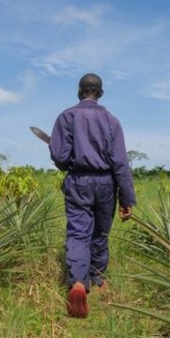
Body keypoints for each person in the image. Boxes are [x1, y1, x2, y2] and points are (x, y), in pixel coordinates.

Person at [49, 73, 136, 318]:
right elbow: (120, 162)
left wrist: (67, 160)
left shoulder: (66, 117)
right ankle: (98, 277)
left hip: (78, 180)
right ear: (100, 93)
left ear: (79, 91)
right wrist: (127, 198)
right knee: (101, 231)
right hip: (107, 182)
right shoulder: (112, 121)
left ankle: (78, 280)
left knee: (78, 231)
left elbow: (60, 156)